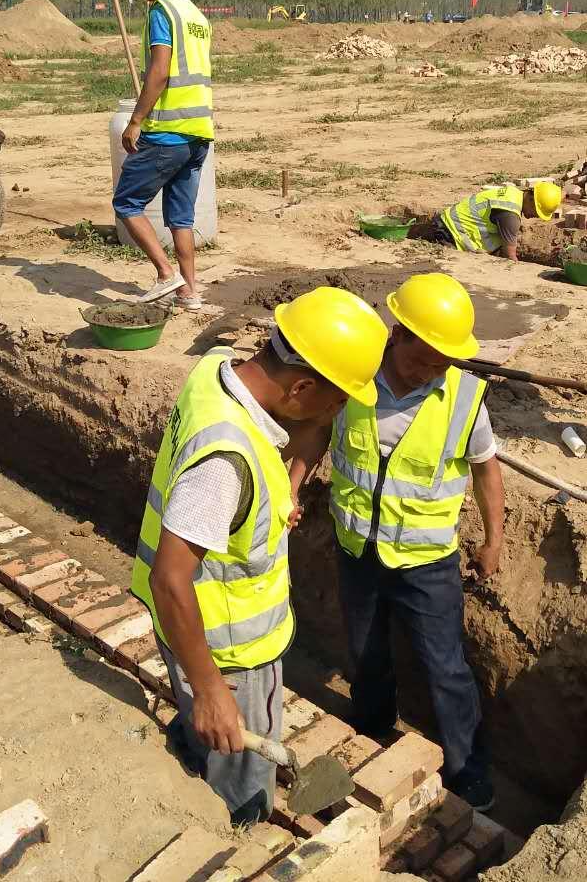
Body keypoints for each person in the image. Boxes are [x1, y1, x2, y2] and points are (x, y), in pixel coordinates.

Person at [131, 287, 387, 825]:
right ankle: (240, 828)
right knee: (241, 775)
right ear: (301, 386)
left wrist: (283, 491)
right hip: (228, 652)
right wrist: (210, 689)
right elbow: (170, 579)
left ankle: (196, 753)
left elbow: (305, 427)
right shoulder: (225, 461)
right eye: (337, 401)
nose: (338, 412)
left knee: (203, 732)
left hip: (190, 631)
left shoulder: (216, 370)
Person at [289, 273, 505, 811]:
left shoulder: (465, 399)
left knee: (444, 667)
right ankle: (370, 731)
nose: (430, 372)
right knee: (365, 653)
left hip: (426, 563)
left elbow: (487, 471)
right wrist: (291, 487)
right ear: (397, 334)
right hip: (357, 549)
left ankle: (467, 769)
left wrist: (494, 540)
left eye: (441, 363)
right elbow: (316, 433)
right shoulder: (354, 377)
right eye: (421, 359)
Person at [113, 0, 214, 310]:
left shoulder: (162, 12)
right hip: (199, 133)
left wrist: (136, 120)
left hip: (168, 131)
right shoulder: (196, 16)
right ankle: (190, 292)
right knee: (181, 217)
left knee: (126, 202)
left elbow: (159, 72)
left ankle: (166, 275)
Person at [422, 181, 562, 260]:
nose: (535, 216)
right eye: (537, 211)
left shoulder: (513, 193)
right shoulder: (510, 216)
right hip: (450, 234)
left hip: (445, 222)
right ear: (530, 198)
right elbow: (510, 256)